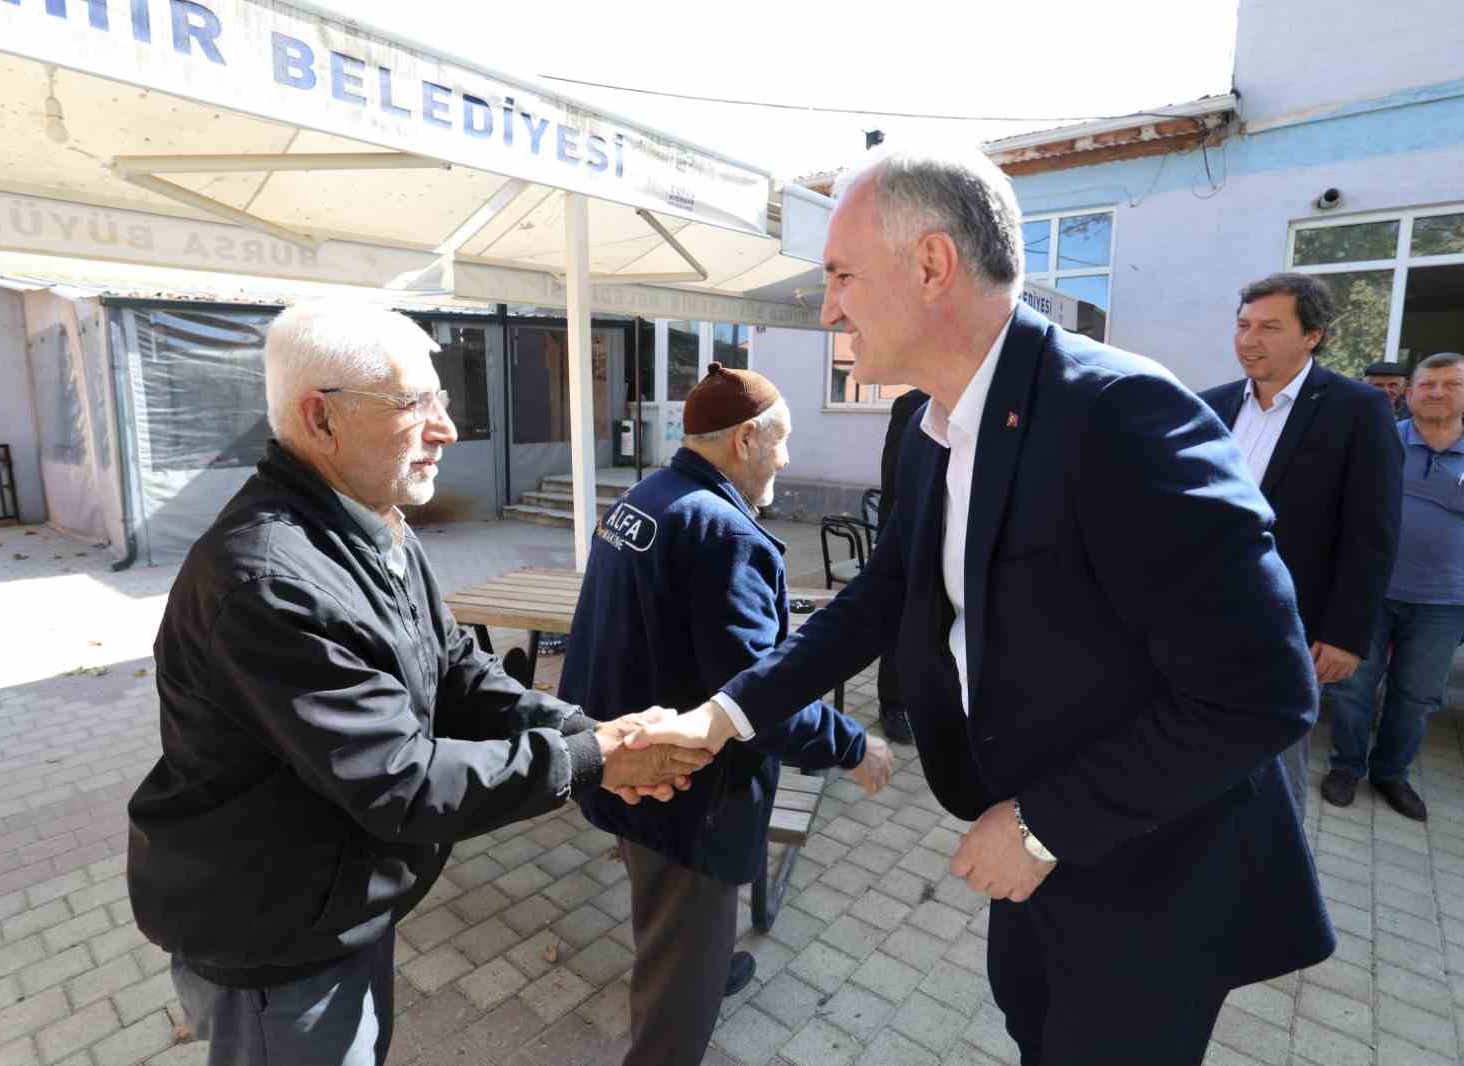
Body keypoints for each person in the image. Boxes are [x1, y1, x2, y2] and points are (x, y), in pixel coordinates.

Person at [628, 147, 1334, 1065]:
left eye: (842, 274)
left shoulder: (1120, 415)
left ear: (931, 265)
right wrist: (724, 716)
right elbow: (886, 593)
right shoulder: (931, 423)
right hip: (1031, 847)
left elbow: (1264, 695)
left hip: (1154, 873)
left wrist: (1047, 825)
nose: (828, 305)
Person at [126, 302, 710, 1066]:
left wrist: (584, 730)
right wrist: (595, 758)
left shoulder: (371, 522)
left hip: (340, 904)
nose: (445, 428)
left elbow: (458, 675)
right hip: (277, 935)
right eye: (413, 404)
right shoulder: (269, 579)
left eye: (441, 398)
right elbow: (401, 781)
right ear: (320, 419)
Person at [558, 363, 892, 1066]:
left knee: (667, 909)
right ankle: (686, 996)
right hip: (687, 799)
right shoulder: (723, 534)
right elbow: (758, 699)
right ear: (745, 440)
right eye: (783, 441)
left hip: (627, 772)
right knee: (681, 967)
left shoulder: (645, 497)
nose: (788, 457)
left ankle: (706, 963)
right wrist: (852, 743)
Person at [1200, 273, 1402, 816]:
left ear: (1312, 336)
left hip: (1291, 623)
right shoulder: (1210, 406)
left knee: (1276, 764)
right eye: (1243, 325)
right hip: (1201, 617)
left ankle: (1275, 871)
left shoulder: (1357, 410)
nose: (1248, 340)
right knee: (1197, 749)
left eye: (1269, 327)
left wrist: (1345, 634)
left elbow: (1372, 531)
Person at [1324, 353, 1464, 819]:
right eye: (1427, 384)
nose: (1436, 392)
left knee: (1416, 697)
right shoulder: (1379, 441)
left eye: (1450, 384)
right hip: (1368, 593)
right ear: (1408, 393)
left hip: (1444, 600)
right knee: (1353, 689)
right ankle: (1346, 767)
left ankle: (1391, 774)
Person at [874, 388, 930, 745]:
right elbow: (892, 481)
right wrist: (888, 543)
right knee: (899, 621)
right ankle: (892, 704)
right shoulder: (911, 405)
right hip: (908, 534)